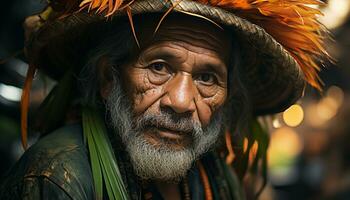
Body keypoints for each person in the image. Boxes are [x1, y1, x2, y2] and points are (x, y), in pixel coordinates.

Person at [0, 0, 330, 199]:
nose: (183, 101)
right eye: (159, 67)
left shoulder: (216, 176)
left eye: (207, 78)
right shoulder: (58, 179)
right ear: (107, 78)